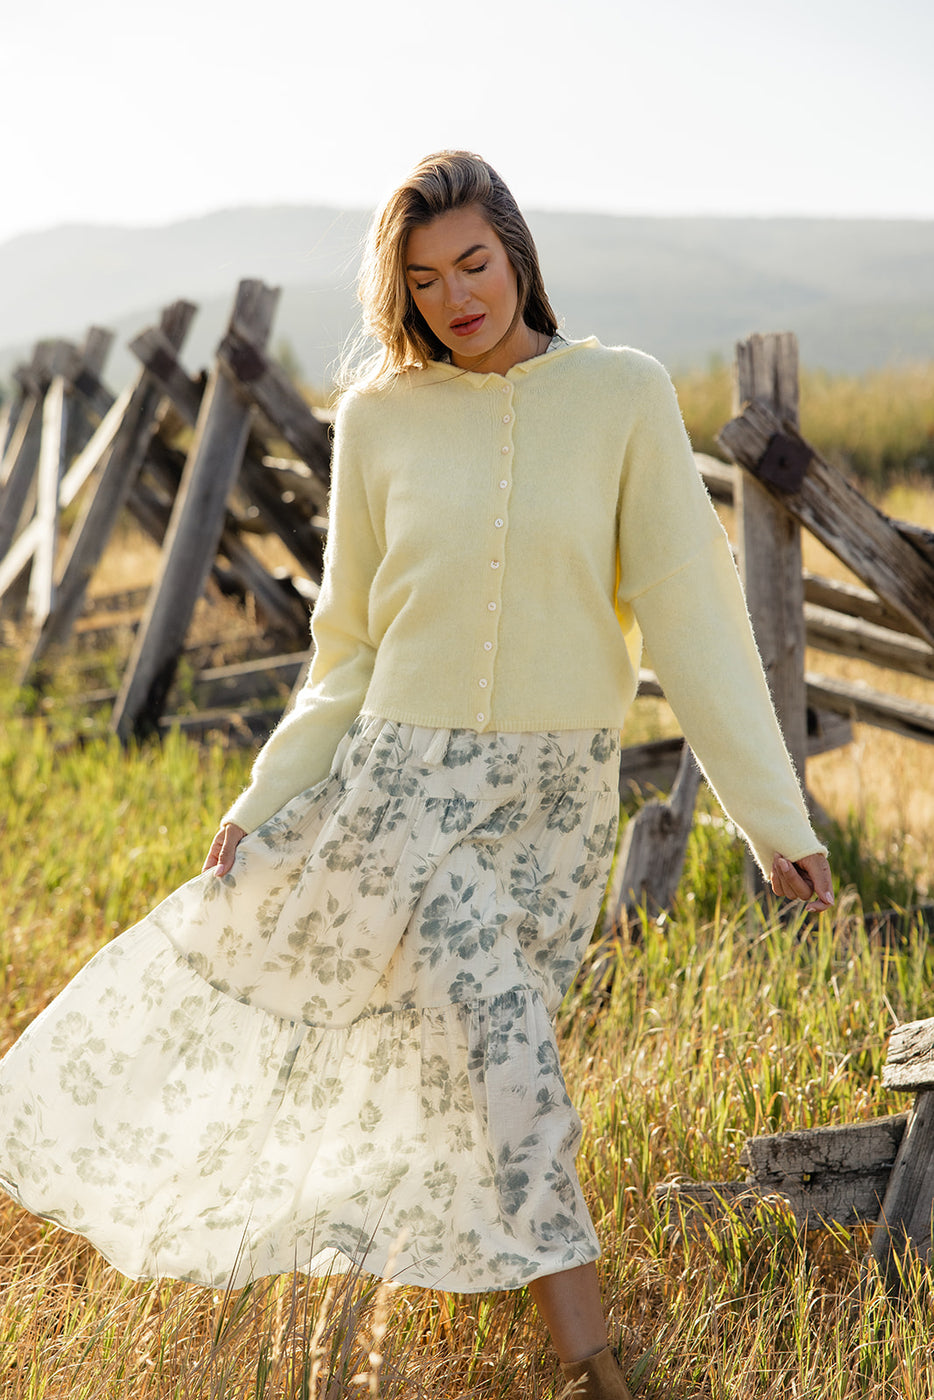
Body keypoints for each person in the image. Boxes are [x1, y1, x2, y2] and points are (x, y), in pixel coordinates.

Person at [0, 151, 833, 1400]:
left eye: (475, 265)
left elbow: (691, 615)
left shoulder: (620, 394)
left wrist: (771, 817)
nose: (456, 298)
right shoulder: (379, 419)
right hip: (400, 789)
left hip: (551, 806)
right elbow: (344, 650)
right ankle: (595, 1359)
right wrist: (265, 794)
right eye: (425, 279)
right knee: (507, 1044)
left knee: (473, 1063)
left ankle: (373, 1324)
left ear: (517, 249)